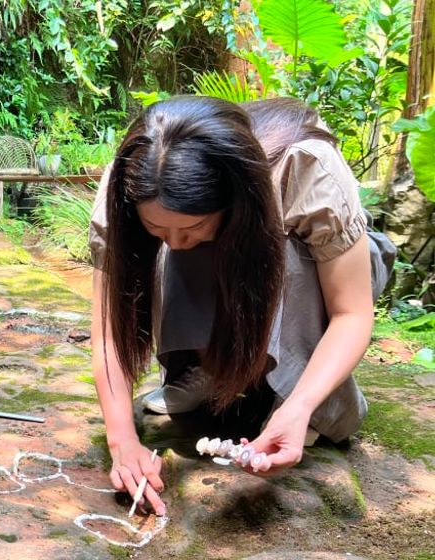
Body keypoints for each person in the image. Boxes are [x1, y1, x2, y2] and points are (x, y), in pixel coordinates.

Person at [87, 96, 395, 516]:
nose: (173, 243)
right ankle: (205, 368)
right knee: (176, 248)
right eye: (156, 227)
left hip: (321, 274)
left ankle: (295, 389)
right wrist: (122, 440)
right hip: (231, 271)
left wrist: (299, 407)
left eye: (192, 227)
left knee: (286, 259)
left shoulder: (305, 166)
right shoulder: (128, 182)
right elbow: (108, 329)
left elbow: (352, 313)